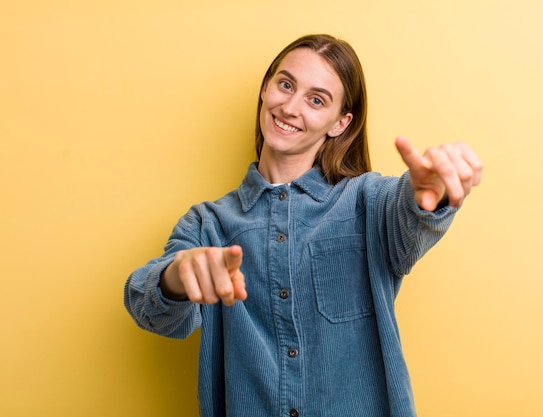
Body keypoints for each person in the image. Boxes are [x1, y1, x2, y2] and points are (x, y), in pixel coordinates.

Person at [124, 33, 482, 417]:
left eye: (316, 100)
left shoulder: (368, 202)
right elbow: (148, 306)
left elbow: (408, 215)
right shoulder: (208, 223)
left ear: (340, 123)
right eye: (285, 84)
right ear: (265, 88)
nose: (290, 107)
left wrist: (432, 193)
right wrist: (178, 276)